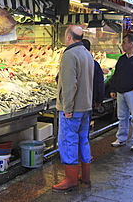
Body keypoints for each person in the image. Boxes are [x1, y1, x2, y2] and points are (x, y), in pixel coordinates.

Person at [52, 26, 94, 192]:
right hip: (85, 107)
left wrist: (67, 107)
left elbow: (70, 84)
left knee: (68, 141)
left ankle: (70, 179)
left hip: (73, 108)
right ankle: (86, 176)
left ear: (68, 37)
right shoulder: (86, 53)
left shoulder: (70, 54)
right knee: (83, 140)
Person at [82, 39, 105, 110]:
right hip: (89, 99)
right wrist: (98, 100)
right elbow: (100, 83)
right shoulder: (94, 64)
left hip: (75, 101)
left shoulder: (72, 63)